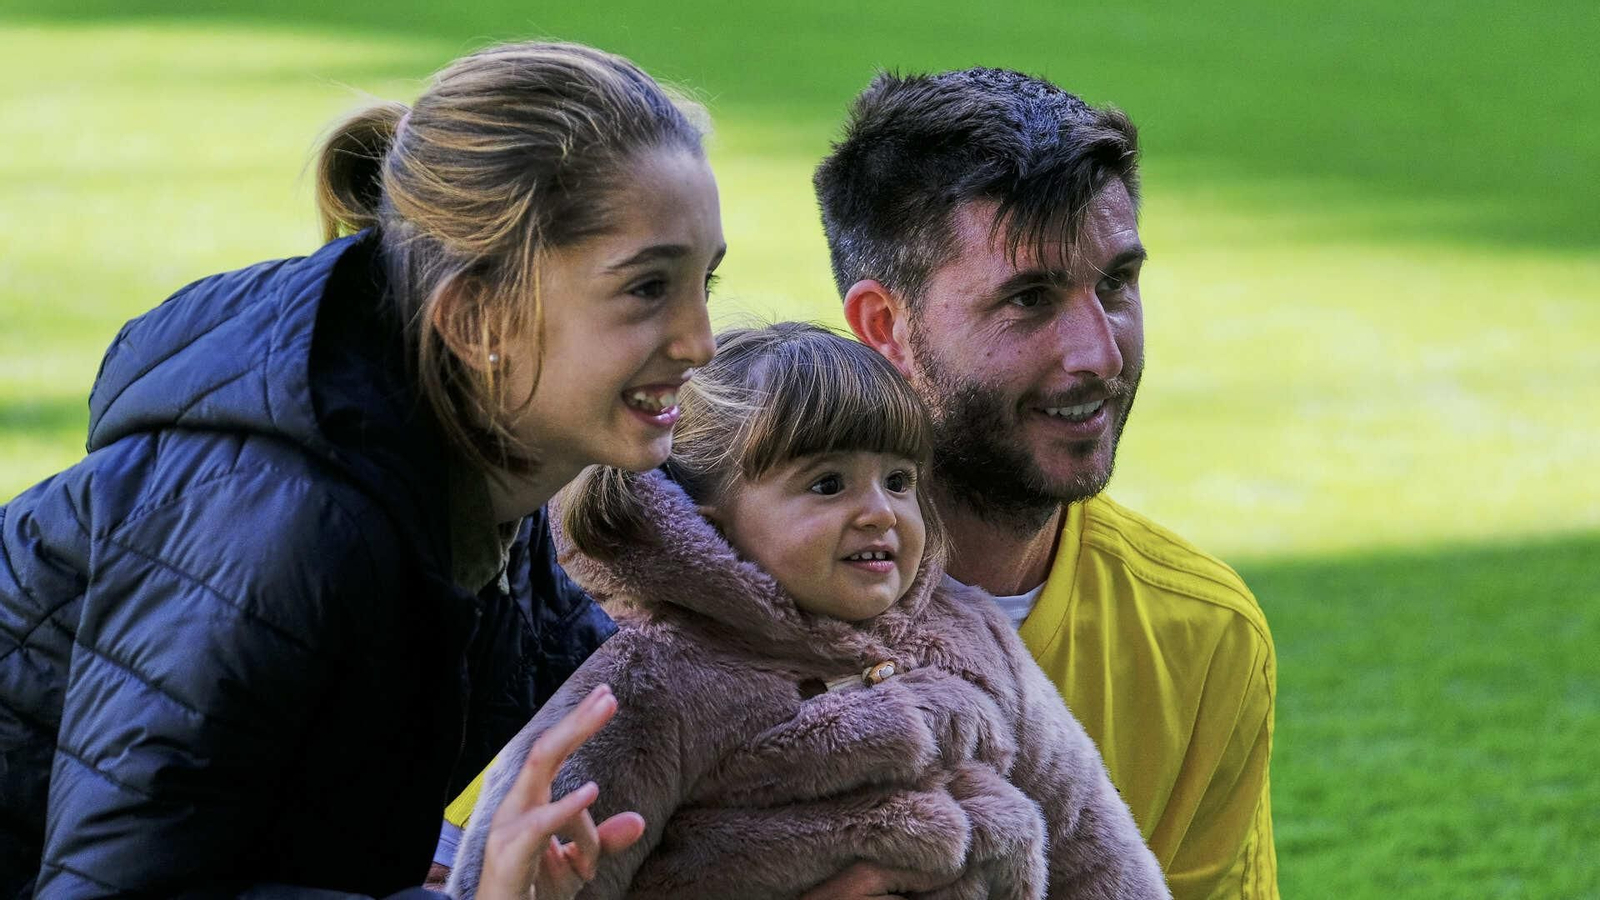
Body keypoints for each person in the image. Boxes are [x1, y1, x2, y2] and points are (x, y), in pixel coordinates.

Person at [0, 41, 724, 897]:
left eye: (706, 282)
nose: (700, 343)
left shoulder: (478, 486)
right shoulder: (284, 523)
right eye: (647, 289)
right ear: (475, 319)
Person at [445, 323, 1169, 900]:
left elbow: (1092, 842)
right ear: (709, 524)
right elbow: (517, 871)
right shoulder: (650, 685)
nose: (879, 512)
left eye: (898, 479)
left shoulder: (970, 636)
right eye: (827, 484)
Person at [814, 68, 1279, 900]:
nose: (1099, 355)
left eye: (1116, 284)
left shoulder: (1202, 637)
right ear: (886, 326)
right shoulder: (719, 603)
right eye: (1029, 298)